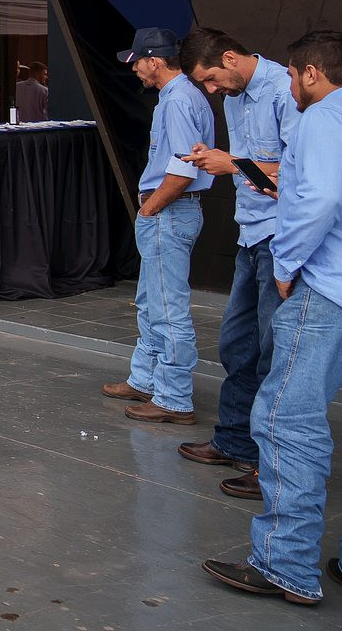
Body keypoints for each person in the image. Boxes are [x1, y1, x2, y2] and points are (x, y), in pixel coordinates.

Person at [202, 31, 342, 607]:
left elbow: (320, 199)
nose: (292, 86)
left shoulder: (324, 118)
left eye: (296, 75)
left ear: (312, 74)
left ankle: (285, 564)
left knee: (286, 422)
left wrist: (287, 262)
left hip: (332, 293)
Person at [177, 28, 299, 499]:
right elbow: (249, 164)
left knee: (271, 352)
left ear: (230, 57)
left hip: (280, 237)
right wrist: (219, 159)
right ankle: (234, 441)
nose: (211, 90)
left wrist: (232, 165)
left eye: (210, 78)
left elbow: (300, 171)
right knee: (237, 344)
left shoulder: (284, 91)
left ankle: (269, 464)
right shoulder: (234, 97)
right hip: (250, 235)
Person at [102, 27, 213, 423]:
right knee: (152, 302)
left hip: (170, 211)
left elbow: (183, 169)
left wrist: (150, 209)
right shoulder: (178, 96)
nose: (134, 69)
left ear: (155, 61)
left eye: (137, 62)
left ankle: (174, 398)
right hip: (170, 211)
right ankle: (147, 379)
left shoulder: (178, 100)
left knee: (167, 308)